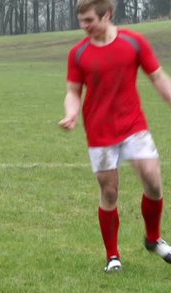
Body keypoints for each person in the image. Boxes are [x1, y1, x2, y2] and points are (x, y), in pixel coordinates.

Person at [59, 0, 171, 272]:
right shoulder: (78, 53)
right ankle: (113, 256)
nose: (83, 26)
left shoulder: (134, 43)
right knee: (109, 191)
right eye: (81, 21)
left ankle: (153, 239)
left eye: (89, 21)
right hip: (99, 132)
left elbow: (157, 77)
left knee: (153, 181)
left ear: (106, 15)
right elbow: (74, 91)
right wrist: (72, 113)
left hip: (133, 125)